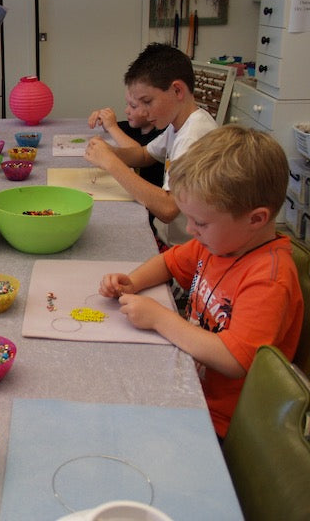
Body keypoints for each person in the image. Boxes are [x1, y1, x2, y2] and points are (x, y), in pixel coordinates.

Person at [98, 125, 302, 439]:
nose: (191, 230)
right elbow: (169, 262)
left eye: (201, 222)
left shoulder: (269, 279)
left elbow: (234, 360)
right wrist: (132, 281)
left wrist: (159, 318)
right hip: (189, 385)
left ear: (256, 219)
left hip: (223, 423)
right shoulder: (221, 243)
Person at [84, 43, 217, 247]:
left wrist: (111, 163)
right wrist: (111, 152)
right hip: (170, 240)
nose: (143, 112)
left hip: (185, 249)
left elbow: (168, 208)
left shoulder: (193, 136)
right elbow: (145, 155)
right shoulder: (178, 125)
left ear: (177, 90)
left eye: (147, 101)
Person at [87, 87, 164, 189]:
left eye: (133, 106)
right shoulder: (136, 127)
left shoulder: (161, 134)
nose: (126, 111)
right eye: (127, 104)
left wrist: (112, 127)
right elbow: (111, 128)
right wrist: (103, 118)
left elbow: (137, 153)